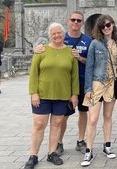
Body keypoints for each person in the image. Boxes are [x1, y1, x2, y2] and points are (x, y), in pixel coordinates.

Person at [34, 11, 92, 155]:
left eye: (79, 20)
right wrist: (38, 48)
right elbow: (49, 49)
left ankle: (80, 140)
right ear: (69, 21)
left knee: (83, 112)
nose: (76, 23)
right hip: (64, 85)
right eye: (73, 20)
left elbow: (91, 62)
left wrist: (80, 58)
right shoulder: (60, 37)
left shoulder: (88, 40)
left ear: (83, 23)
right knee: (62, 116)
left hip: (83, 81)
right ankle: (59, 142)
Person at [24, 23, 79, 169]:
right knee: (39, 124)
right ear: (50, 35)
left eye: (59, 33)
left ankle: (52, 153)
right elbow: (33, 74)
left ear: (63, 34)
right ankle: (33, 155)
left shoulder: (70, 52)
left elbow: (74, 76)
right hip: (42, 95)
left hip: (62, 95)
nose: (57, 36)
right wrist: (34, 93)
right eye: (54, 33)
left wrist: (74, 95)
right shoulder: (41, 51)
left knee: (56, 124)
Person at [81, 15, 117, 167]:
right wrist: (88, 89)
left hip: (111, 84)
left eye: (108, 24)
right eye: (103, 26)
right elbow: (89, 67)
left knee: (108, 116)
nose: (106, 28)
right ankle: (89, 150)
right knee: (92, 119)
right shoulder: (95, 44)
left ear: (112, 25)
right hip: (97, 83)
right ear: (99, 28)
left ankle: (107, 145)